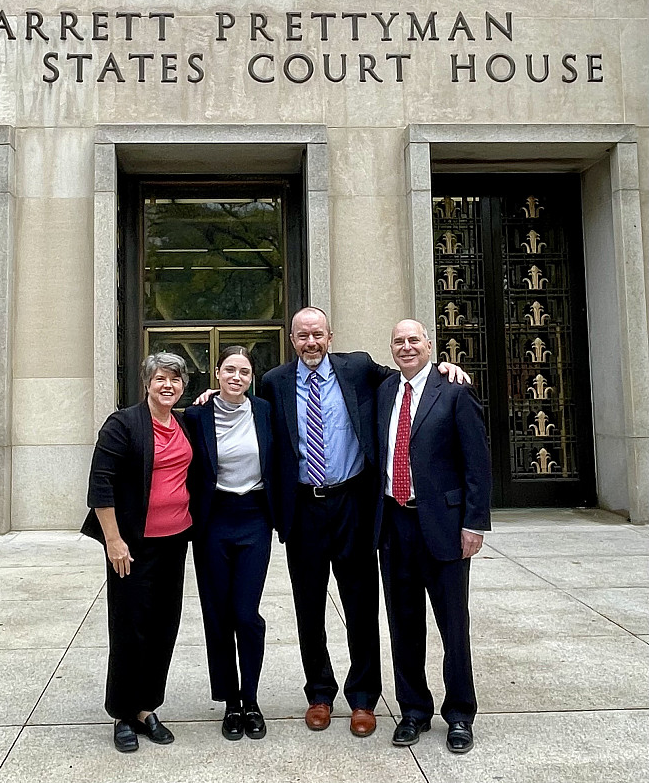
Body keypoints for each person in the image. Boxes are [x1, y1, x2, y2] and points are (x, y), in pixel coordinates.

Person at [258, 306, 468, 737]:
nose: (310, 342)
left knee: (361, 604)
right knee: (308, 606)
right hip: (304, 508)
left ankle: (362, 697)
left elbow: (408, 375)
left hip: (353, 503)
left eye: (317, 334)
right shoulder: (275, 382)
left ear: (330, 336)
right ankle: (319, 691)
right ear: (292, 340)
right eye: (302, 336)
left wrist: (445, 366)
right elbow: (248, 418)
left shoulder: (357, 369)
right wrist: (206, 398)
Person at [374, 319, 491, 754]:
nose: (406, 347)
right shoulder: (385, 391)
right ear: (391, 349)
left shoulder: (455, 391)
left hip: (444, 526)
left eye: (413, 340)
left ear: (430, 346)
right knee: (404, 625)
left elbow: (477, 464)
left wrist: (474, 523)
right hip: (394, 524)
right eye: (398, 341)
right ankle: (413, 711)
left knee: (453, 626)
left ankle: (460, 714)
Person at [81, 352, 193, 753]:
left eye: (176, 380)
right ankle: (123, 714)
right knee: (130, 629)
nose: (168, 386)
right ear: (147, 382)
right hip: (132, 545)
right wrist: (113, 540)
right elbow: (101, 485)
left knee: (164, 626)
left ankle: (147, 708)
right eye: (161, 378)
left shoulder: (182, 423)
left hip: (175, 541)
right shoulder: (124, 424)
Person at [183, 346, 275, 741]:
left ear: (251, 377)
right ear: (216, 374)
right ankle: (231, 702)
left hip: (254, 518)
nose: (236, 377)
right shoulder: (195, 414)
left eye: (244, 371)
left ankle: (251, 698)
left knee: (245, 613)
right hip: (213, 521)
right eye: (229, 370)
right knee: (218, 614)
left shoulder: (266, 412)